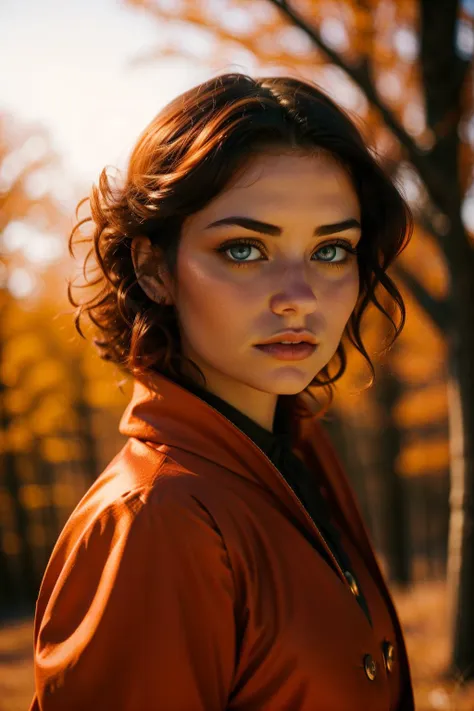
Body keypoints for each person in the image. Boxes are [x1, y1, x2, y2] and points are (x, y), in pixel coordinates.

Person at [30, 72, 415, 710]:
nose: (299, 298)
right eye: (244, 249)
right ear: (155, 268)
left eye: (330, 250)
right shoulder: (156, 521)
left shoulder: (297, 454)